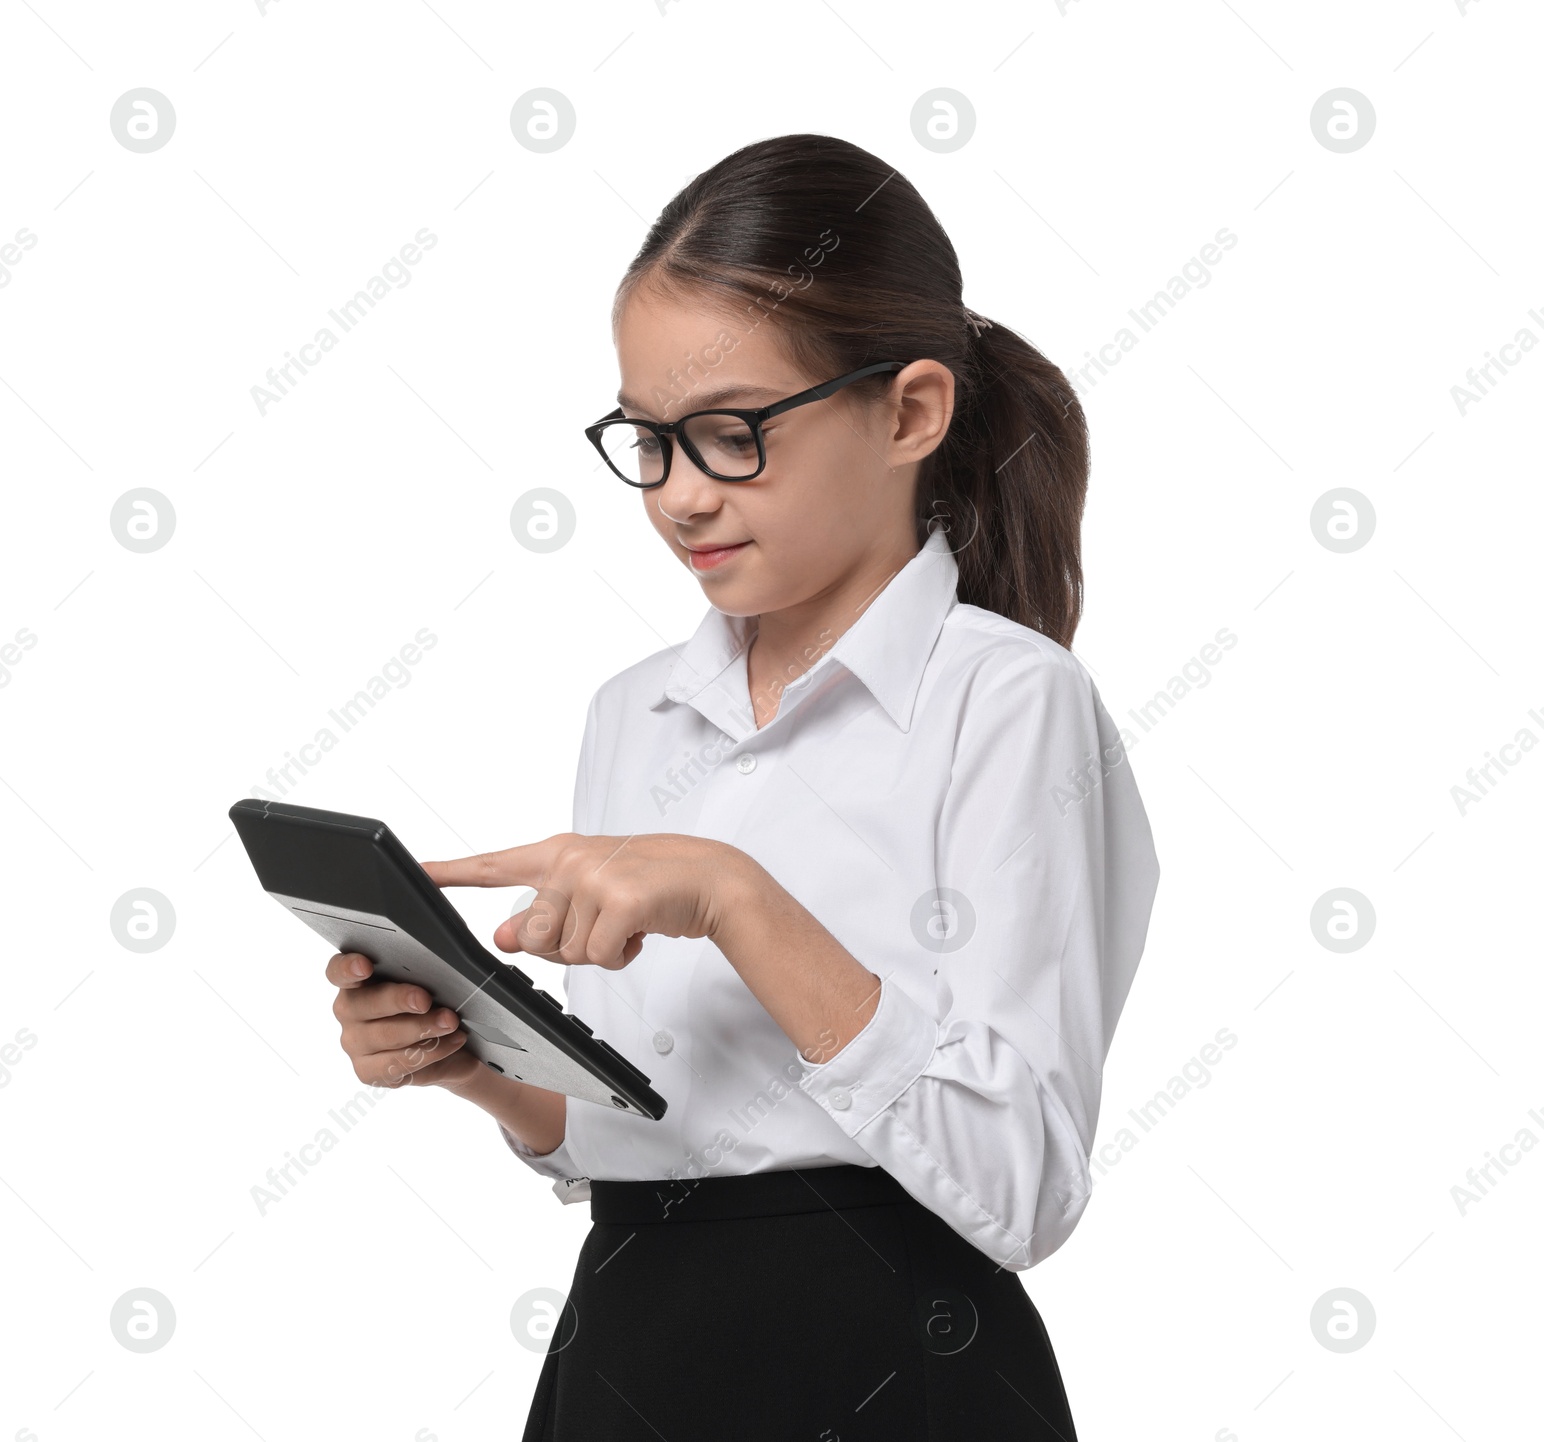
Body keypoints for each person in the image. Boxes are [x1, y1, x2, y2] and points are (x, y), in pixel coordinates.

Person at [325, 132, 1160, 1439]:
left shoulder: (1008, 703)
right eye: (649, 440)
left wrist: (735, 897)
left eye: (730, 435)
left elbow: (1023, 1189)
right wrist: (479, 1064)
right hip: (631, 1344)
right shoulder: (631, 711)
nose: (680, 495)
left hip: (899, 1360)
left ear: (910, 412)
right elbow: (653, 1132)